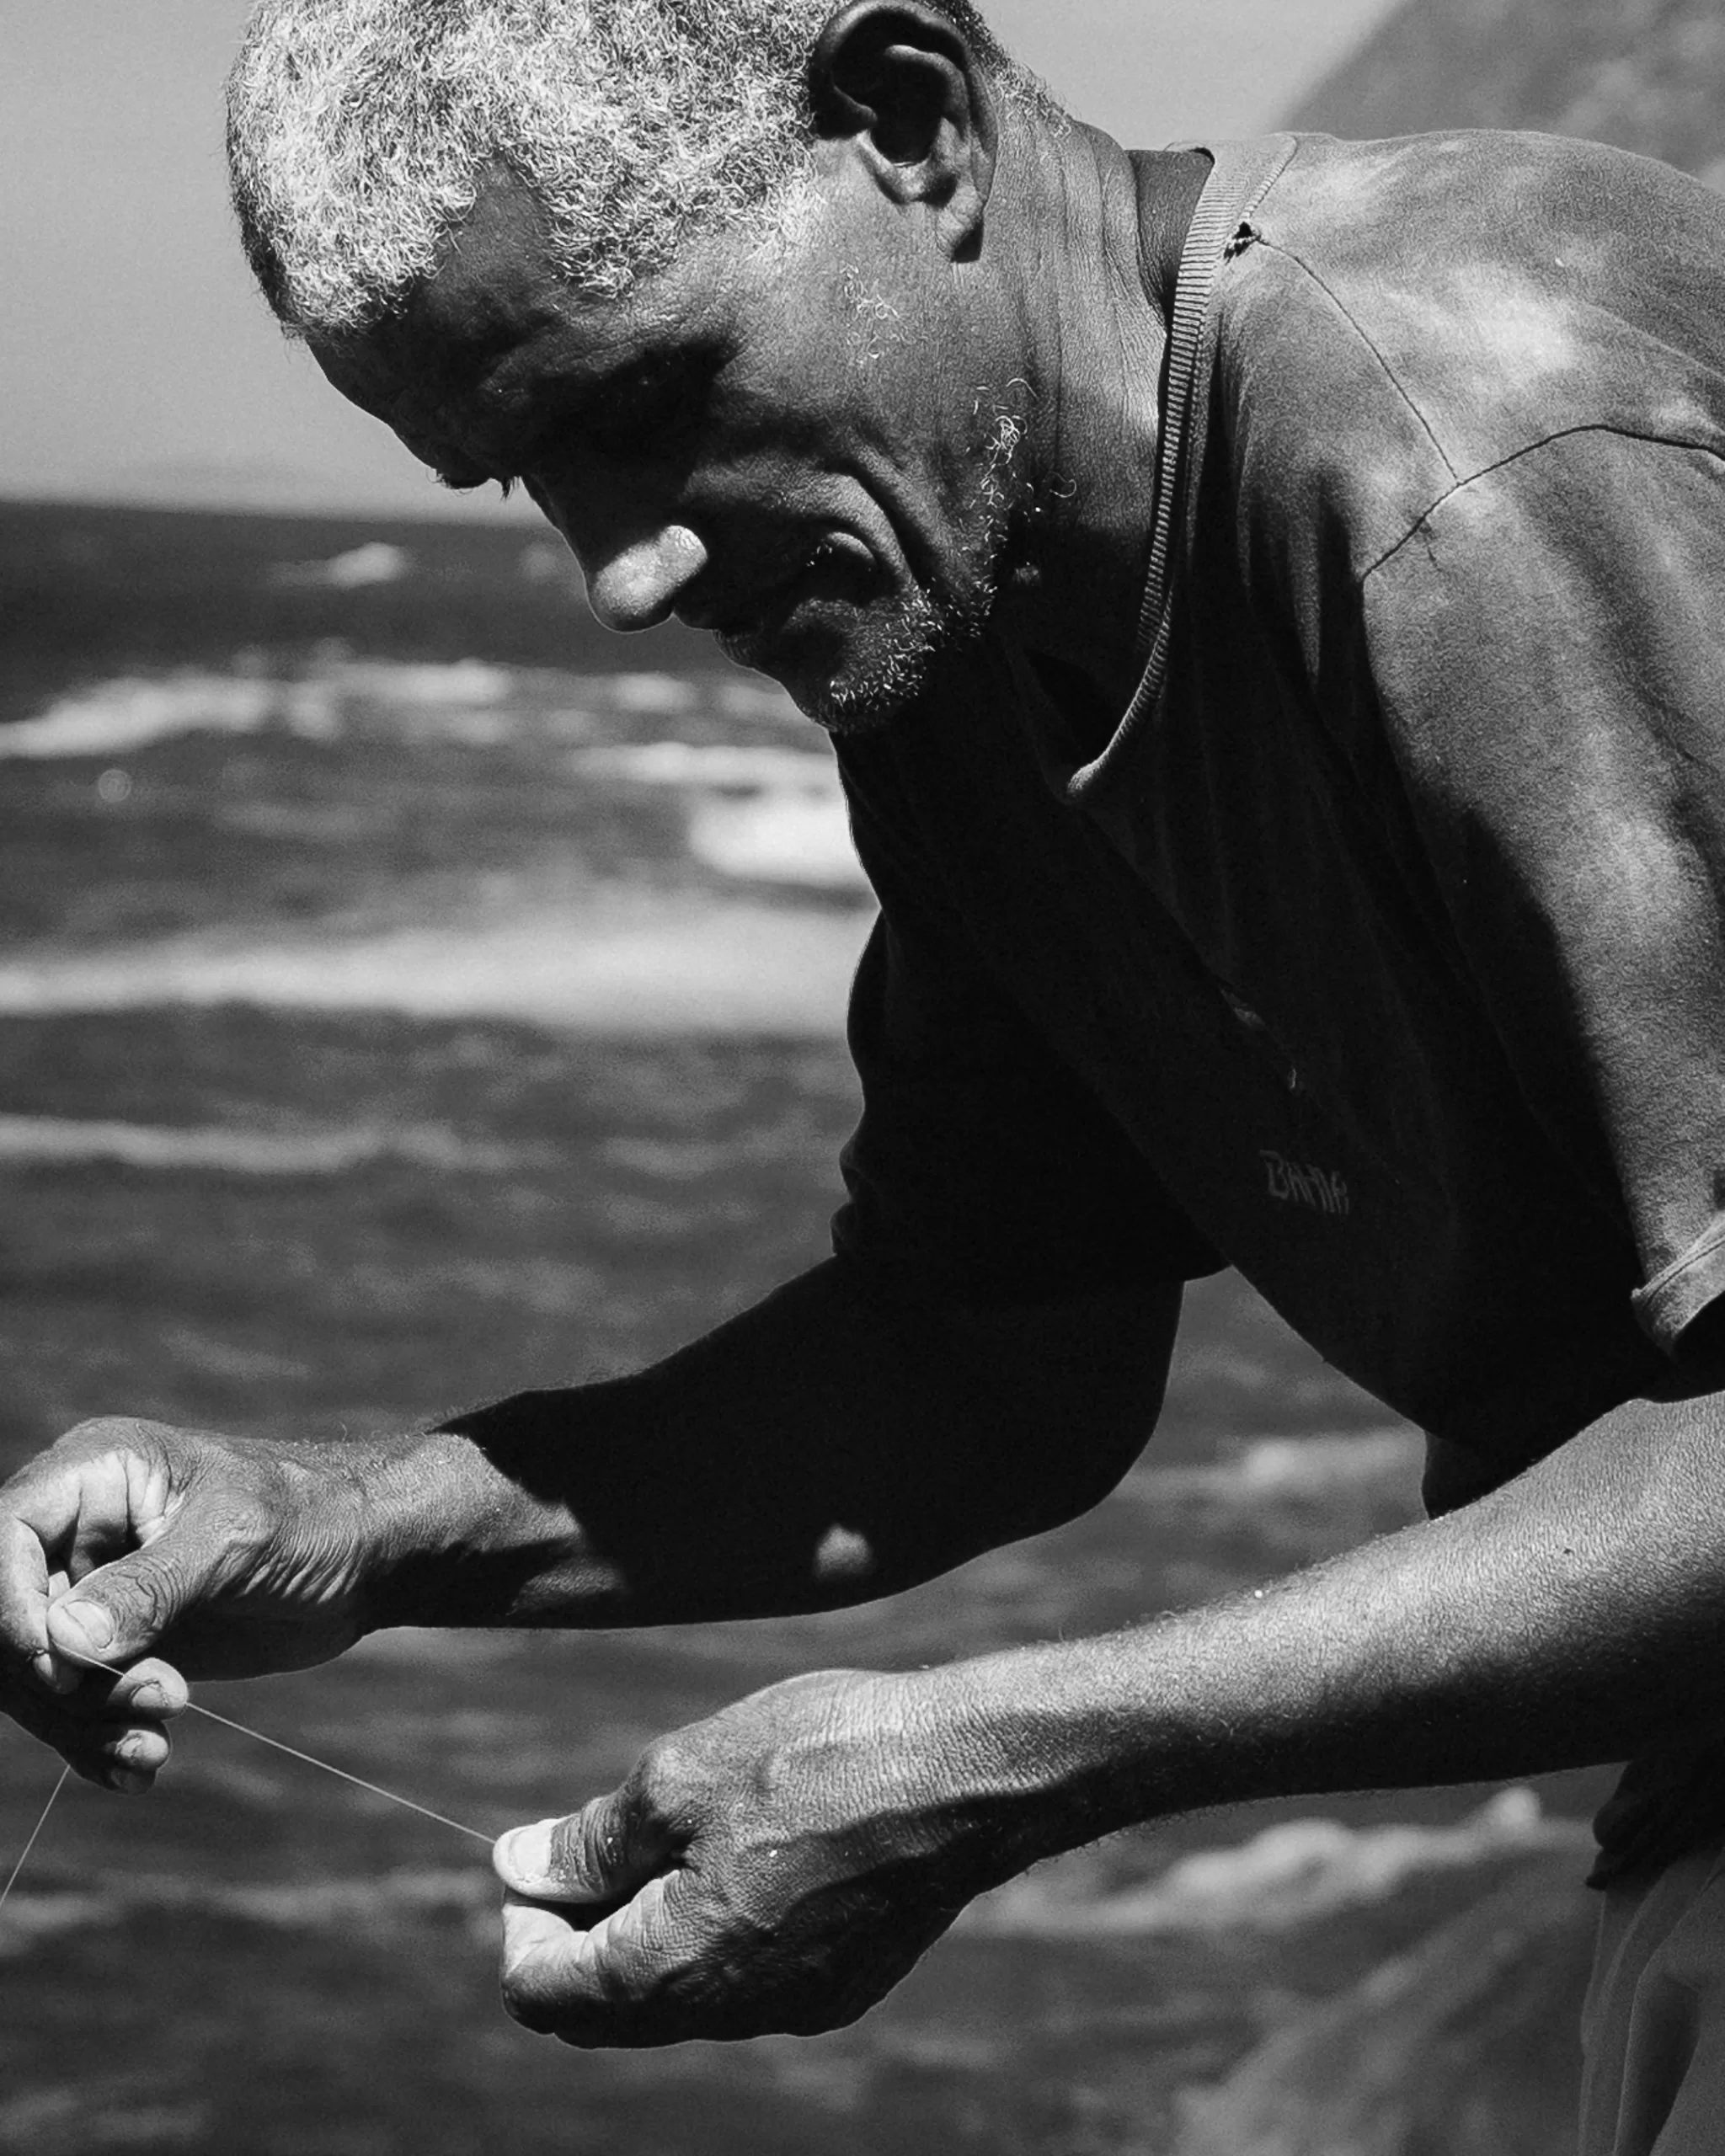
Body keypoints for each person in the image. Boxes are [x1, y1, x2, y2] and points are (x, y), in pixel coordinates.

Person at [7, 0, 1725, 2135]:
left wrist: (1015, 1753)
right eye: (525, 474)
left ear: (909, 125)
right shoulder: (953, 616)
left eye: (645, 400)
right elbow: (989, 1360)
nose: (621, 570)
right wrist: (341, 1524)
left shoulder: (1458, 452)